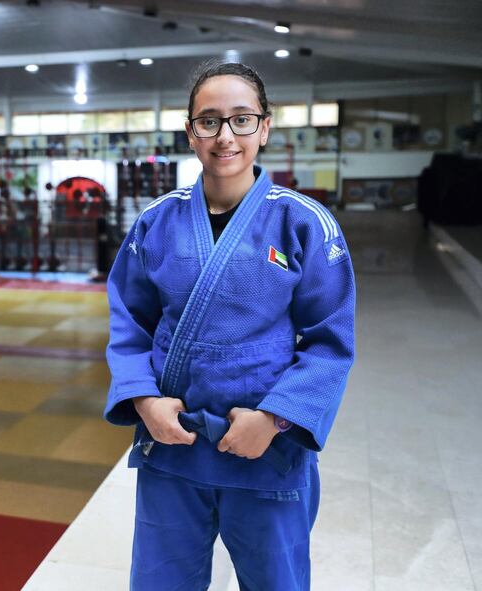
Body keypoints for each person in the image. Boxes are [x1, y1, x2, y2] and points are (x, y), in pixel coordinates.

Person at [104, 60, 355, 591]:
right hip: (174, 445)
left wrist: (276, 418)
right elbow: (130, 325)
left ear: (264, 127)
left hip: (265, 449)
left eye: (242, 119)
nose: (225, 136)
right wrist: (144, 400)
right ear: (190, 130)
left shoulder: (303, 222)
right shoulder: (157, 220)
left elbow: (329, 342)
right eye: (209, 120)